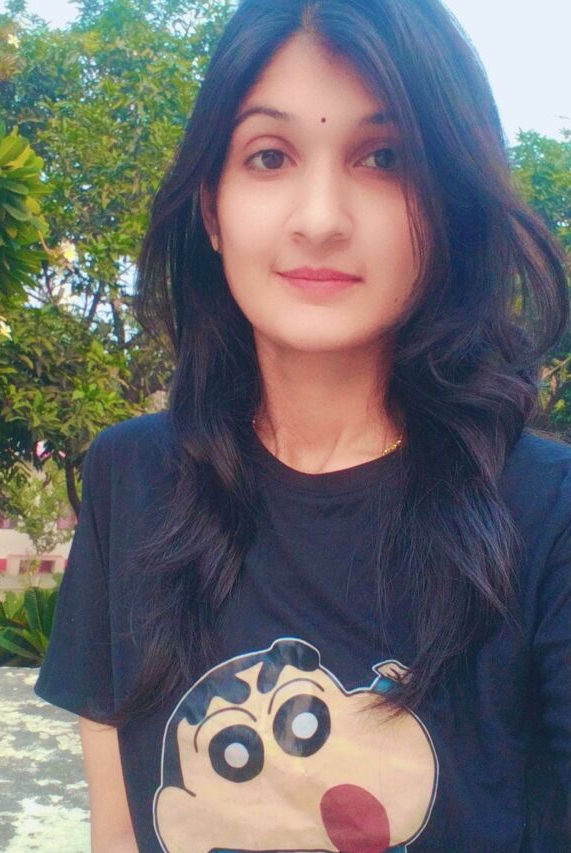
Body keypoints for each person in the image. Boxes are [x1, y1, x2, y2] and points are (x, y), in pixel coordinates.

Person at [34, 0, 571, 850]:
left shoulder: (549, 514)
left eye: (384, 157)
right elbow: (121, 826)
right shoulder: (127, 476)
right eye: (269, 155)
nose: (320, 218)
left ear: (450, 205)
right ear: (212, 208)